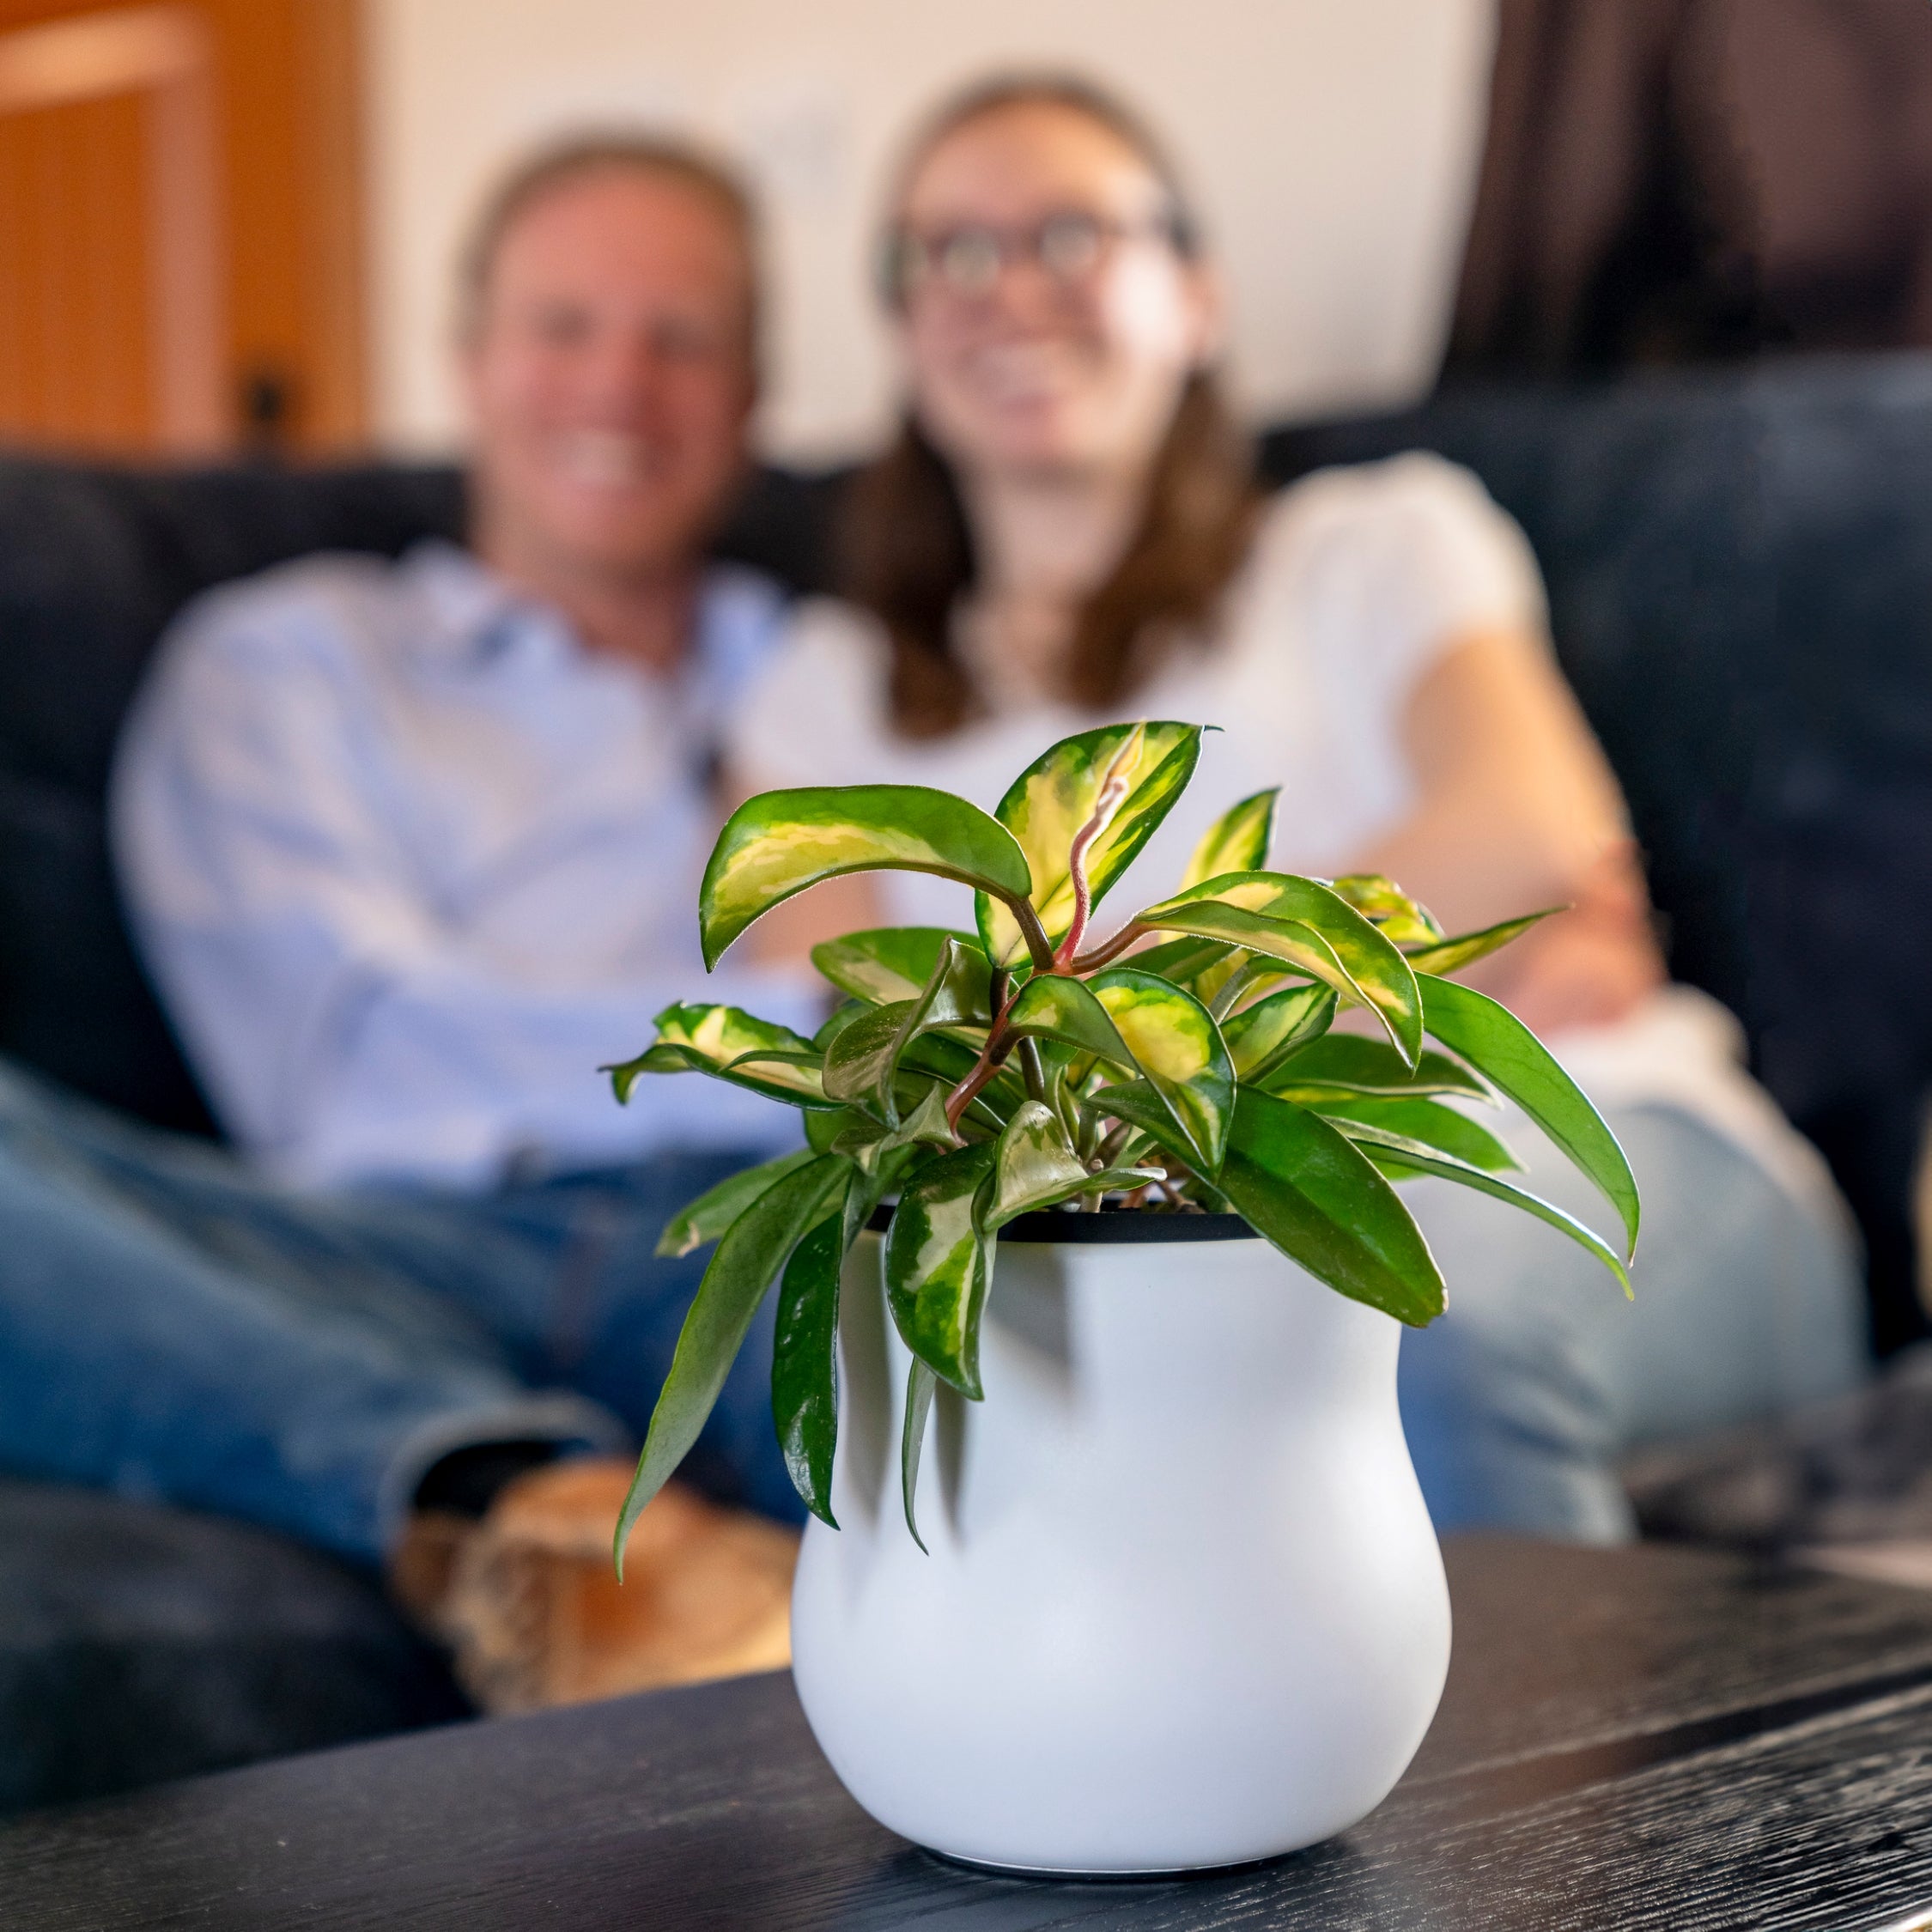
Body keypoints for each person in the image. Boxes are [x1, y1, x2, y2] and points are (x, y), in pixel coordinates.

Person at [726, 74, 1873, 1540]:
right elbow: (812, 1049)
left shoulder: (1370, 542)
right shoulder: (821, 690)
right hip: (1123, 1257)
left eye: (1071, 236)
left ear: (1194, 296)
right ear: (899, 328)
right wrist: (1373, 964)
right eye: (946, 252)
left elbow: (1528, 833)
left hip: (1612, 1131)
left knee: (1411, 1337)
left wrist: (1056, 1052)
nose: (1007, 291)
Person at [0, 136, 813, 1712]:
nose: (617, 385)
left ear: (755, 397)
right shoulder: (288, 660)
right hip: (381, 1251)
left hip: (784, 1226)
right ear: (468, 362)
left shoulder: (839, 674)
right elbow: (370, 1068)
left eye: (680, 338)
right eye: (562, 325)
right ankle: (527, 1499)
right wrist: (786, 1039)